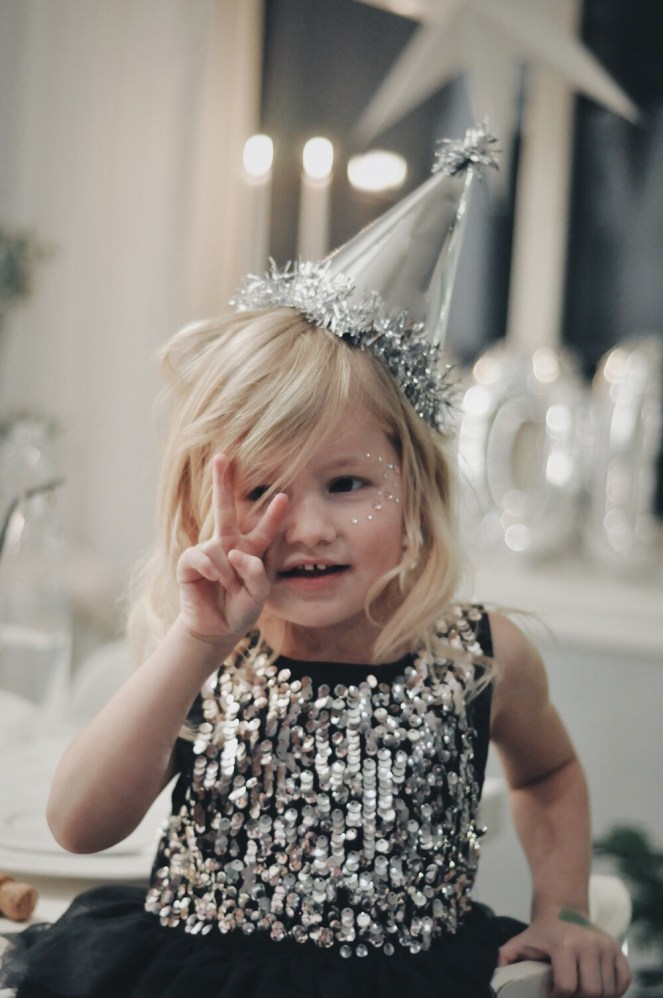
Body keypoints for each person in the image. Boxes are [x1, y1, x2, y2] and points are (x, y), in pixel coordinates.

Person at [0, 130, 631, 998]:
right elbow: (77, 825)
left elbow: (550, 775)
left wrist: (562, 906)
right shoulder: (210, 652)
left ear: (413, 490)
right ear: (203, 501)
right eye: (261, 490)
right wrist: (194, 644)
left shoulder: (480, 657)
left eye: (346, 484)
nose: (305, 528)